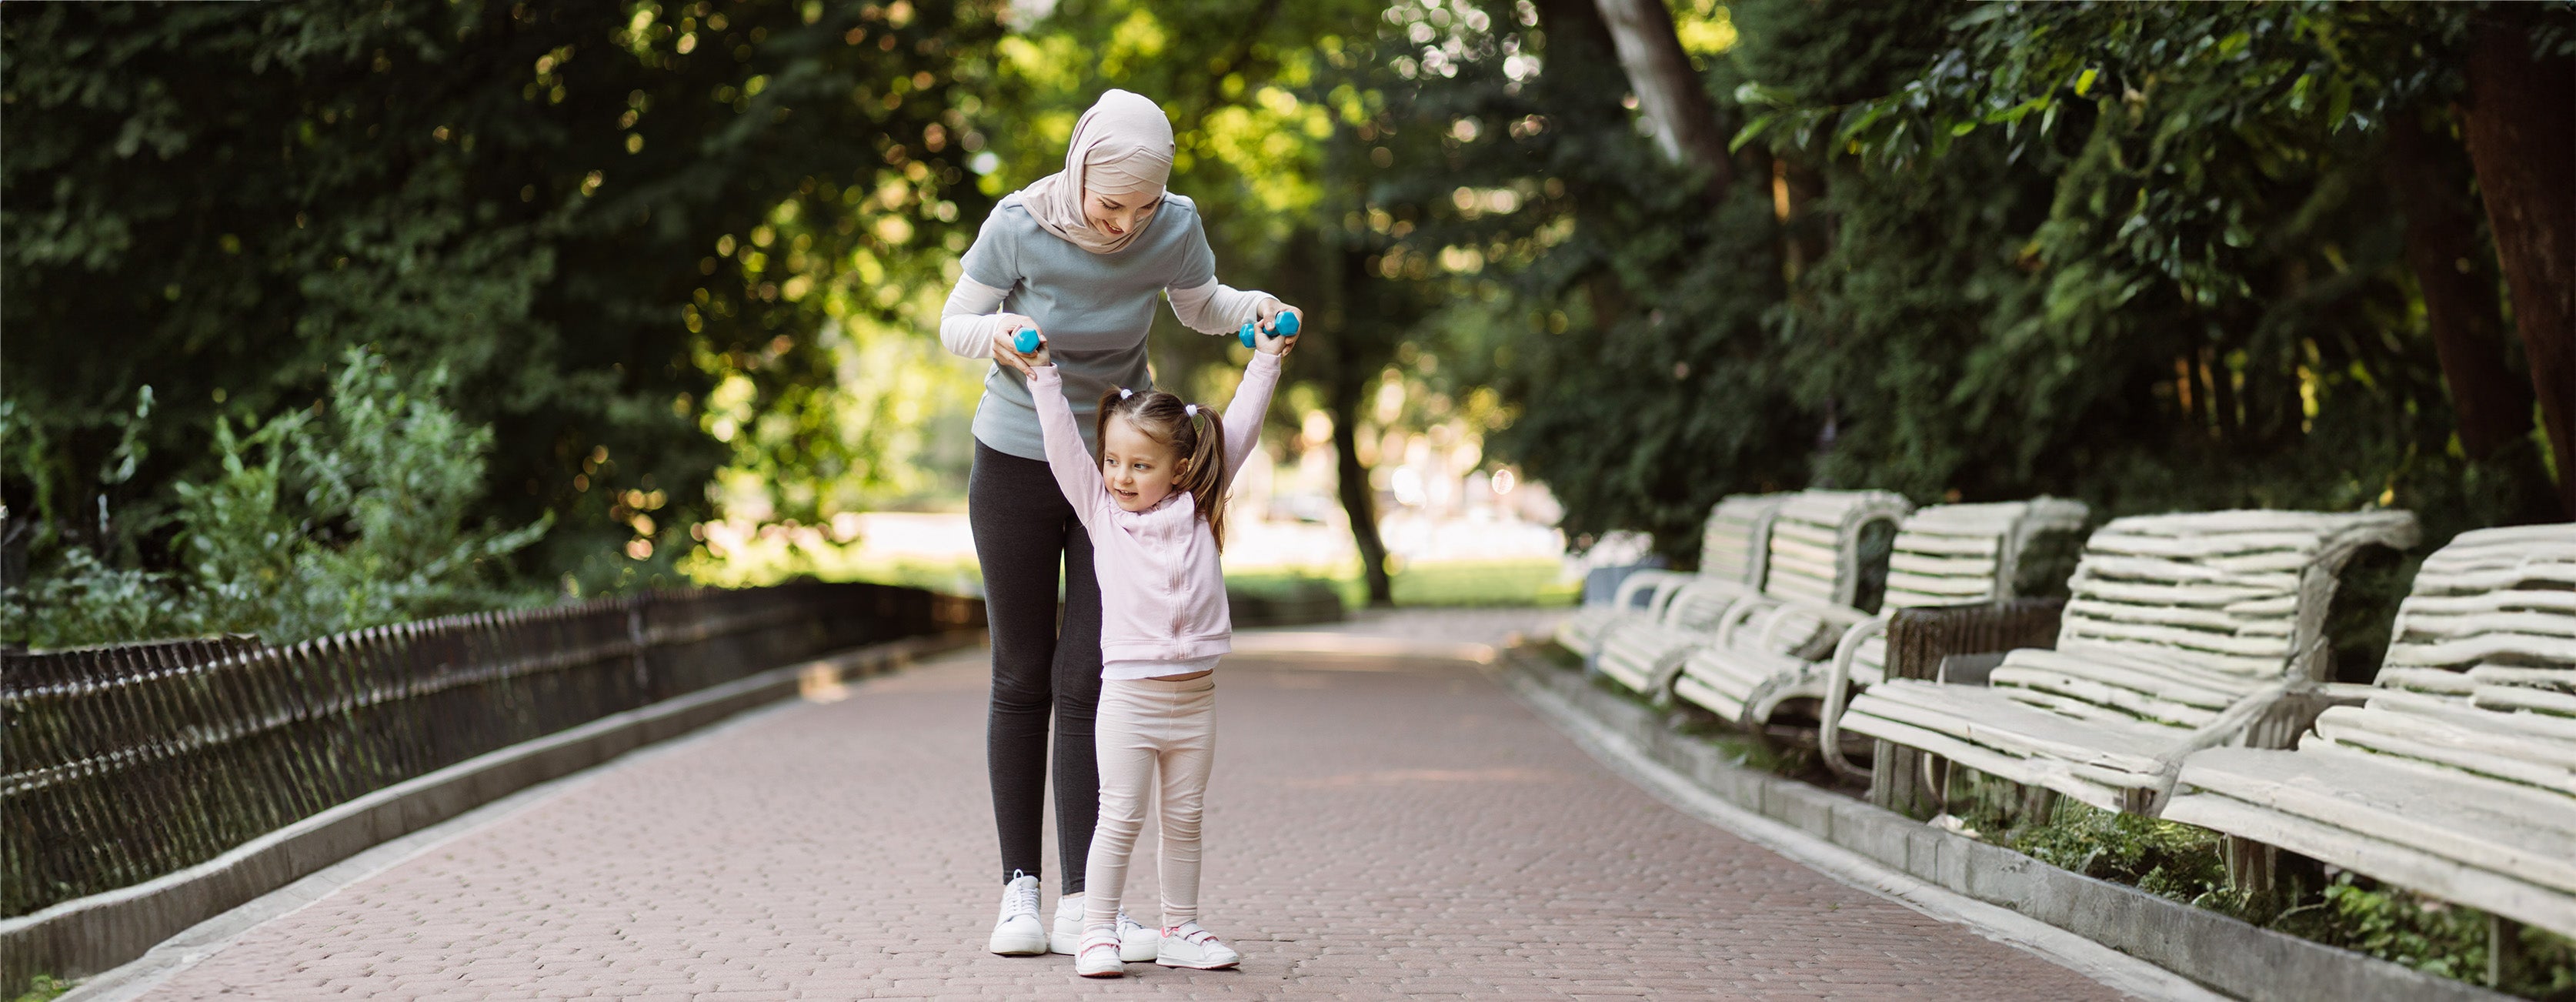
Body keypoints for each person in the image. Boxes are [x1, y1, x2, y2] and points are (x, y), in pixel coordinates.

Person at [938, 88, 1301, 962]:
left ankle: (1081, 904)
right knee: (1021, 672)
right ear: (1079, 170)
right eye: (1110, 207)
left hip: (1123, 472)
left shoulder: (1173, 225)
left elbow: (1198, 301)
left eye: (1142, 208)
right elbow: (953, 321)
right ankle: (1019, 891)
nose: (1123, 226)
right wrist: (1000, 333)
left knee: (1091, 678)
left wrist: (1248, 306)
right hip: (1021, 458)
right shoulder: (1017, 223)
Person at [1017, 312, 1295, 977]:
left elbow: (1243, 429)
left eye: (1140, 465)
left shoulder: (1199, 506)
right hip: (1131, 701)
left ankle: (1180, 928)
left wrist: (1267, 361)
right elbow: (1062, 448)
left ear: (1180, 468)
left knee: (1186, 819)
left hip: (1196, 700)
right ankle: (1097, 932)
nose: (1121, 475)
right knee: (1118, 817)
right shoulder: (1102, 514)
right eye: (1113, 460)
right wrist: (1043, 378)